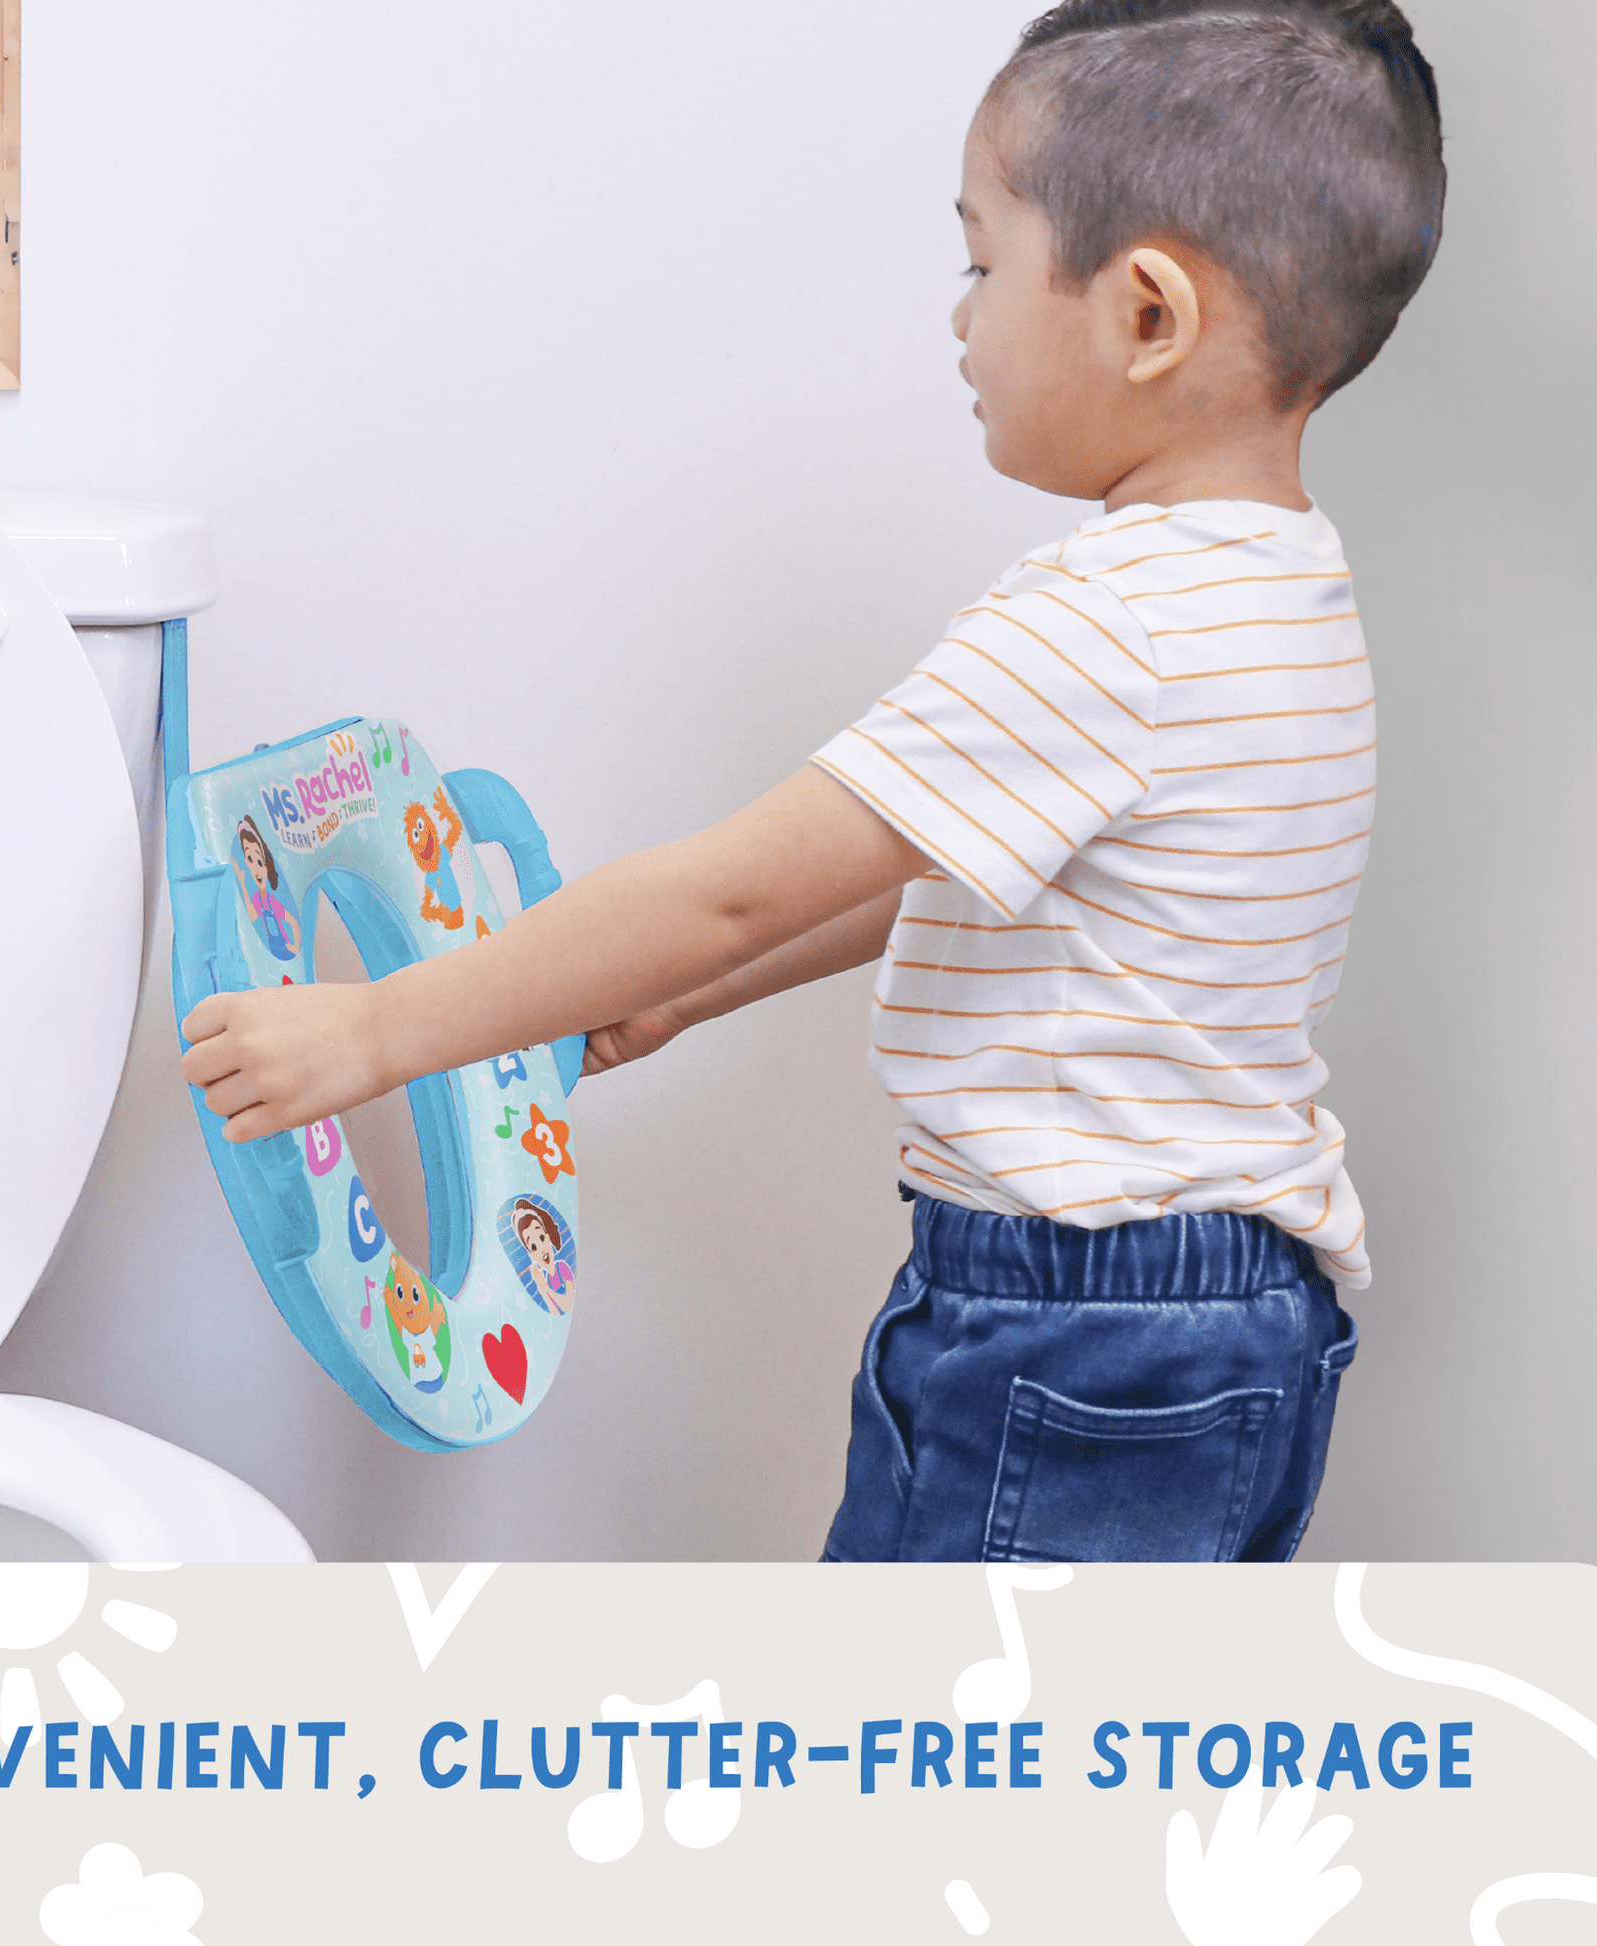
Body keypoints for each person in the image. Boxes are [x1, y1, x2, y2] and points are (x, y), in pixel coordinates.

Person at [180, 0, 1444, 1562]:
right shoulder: (1280, 593)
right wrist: (696, 1000)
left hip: (1069, 1335)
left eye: (982, 261)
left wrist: (366, 1027)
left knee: (930, 1778)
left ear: (1145, 316)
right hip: (1243, 1322)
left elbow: (727, 890)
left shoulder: (1100, 626)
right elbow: (938, 861)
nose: (958, 317)